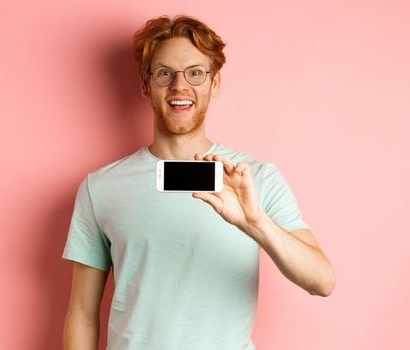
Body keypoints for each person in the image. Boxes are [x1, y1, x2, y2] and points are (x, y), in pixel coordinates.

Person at [62, 15, 335, 350]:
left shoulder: (254, 178)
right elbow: (82, 313)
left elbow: (322, 281)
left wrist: (256, 224)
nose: (180, 86)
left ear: (214, 83)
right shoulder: (101, 187)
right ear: (146, 84)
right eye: (165, 73)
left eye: (195, 73)